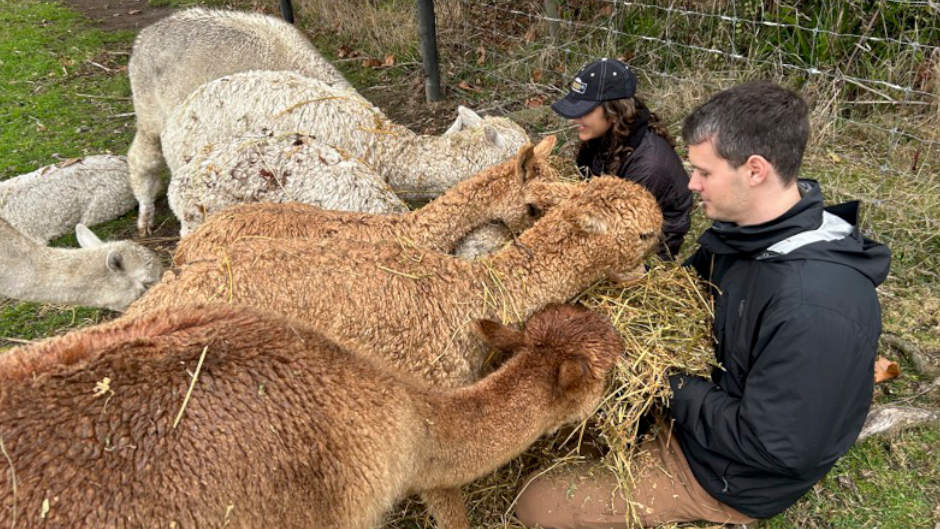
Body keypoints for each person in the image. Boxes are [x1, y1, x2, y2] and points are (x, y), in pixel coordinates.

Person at [515, 80, 891, 528]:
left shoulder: (815, 308)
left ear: (755, 170)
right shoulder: (746, 229)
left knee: (535, 502)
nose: (690, 184)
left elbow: (775, 446)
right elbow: (681, 297)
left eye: (704, 172)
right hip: (705, 405)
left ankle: (711, 514)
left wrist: (664, 381)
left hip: (730, 474)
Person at [551, 58, 692, 260]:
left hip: (646, 252)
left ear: (614, 110)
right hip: (611, 223)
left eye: (585, 110)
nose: (575, 119)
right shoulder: (608, 136)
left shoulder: (648, 166)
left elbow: (628, 236)